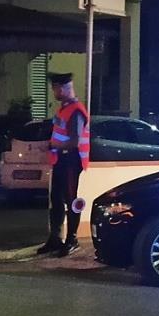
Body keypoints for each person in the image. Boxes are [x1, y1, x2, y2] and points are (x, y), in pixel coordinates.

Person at [38, 72, 90, 257]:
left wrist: (53, 145)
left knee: (71, 200)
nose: (54, 92)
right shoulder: (64, 109)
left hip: (71, 161)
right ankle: (55, 239)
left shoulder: (76, 111)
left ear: (64, 88)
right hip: (61, 160)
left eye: (55, 88)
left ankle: (72, 240)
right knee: (57, 201)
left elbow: (74, 141)